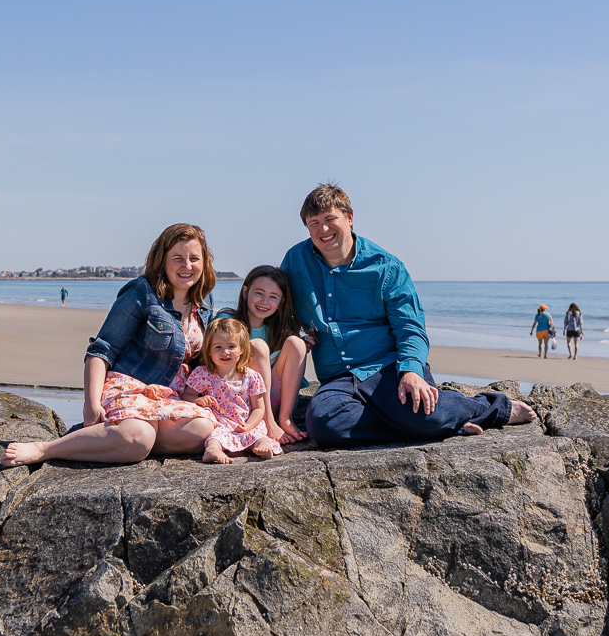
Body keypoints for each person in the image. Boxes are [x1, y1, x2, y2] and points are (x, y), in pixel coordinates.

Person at [283, 183, 534, 448]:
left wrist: (411, 371)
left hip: (387, 367)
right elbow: (277, 311)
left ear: (349, 218)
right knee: (325, 426)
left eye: (330, 219)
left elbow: (411, 328)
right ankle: (435, 427)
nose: (323, 229)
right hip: (337, 378)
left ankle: (490, 407)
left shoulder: (387, 266)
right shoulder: (295, 260)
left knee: (423, 415)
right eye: (314, 223)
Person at [1, 223, 218, 466]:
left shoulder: (204, 300)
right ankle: (46, 449)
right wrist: (91, 405)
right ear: (162, 260)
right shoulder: (142, 292)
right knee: (138, 438)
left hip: (170, 397)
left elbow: (204, 358)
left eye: (194, 258)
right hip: (129, 387)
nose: (187, 266)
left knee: (202, 429)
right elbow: (101, 350)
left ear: (204, 262)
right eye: (177, 258)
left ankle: (124, 440)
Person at [171, 317, 281, 464]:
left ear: (242, 349)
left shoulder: (251, 376)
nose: (225, 352)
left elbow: (259, 409)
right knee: (215, 437)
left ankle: (263, 446)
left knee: (258, 434)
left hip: (245, 422)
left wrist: (249, 425)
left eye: (231, 346)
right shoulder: (203, 373)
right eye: (218, 347)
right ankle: (212, 451)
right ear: (209, 350)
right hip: (220, 422)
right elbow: (187, 395)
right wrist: (197, 400)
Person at [224, 265, 311, 443]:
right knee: (257, 346)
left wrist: (304, 338)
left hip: (272, 402)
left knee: (296, 343)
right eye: (259, 293)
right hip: (236, 401)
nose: (264, 301)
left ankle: (285, 420)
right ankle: (267, 422)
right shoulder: (227, 320)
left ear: (281, 303)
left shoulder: (278, 331)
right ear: (245, 292)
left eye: (273, 297)